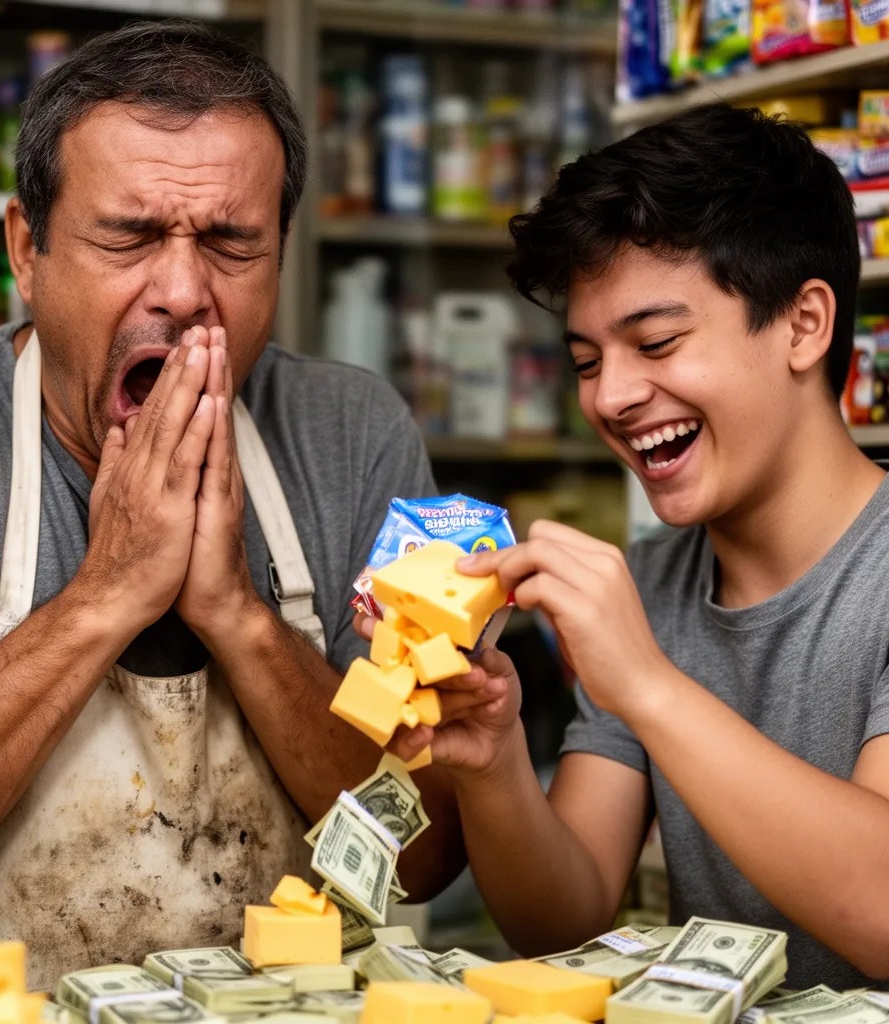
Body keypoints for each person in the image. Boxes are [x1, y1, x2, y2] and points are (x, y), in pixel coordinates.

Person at [0, 21, 465, 987]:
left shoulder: (353, 430)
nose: (185, 292)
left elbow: (425, 851)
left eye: (232, 242)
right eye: (129, 235)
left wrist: (235, 612)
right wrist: (108, 592)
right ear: (28, 248)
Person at [370, 103, 889, 989]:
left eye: (657, 342)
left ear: (805, 325)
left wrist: (645, 682)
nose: (611, 396)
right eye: (584, 360)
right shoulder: (650, 582)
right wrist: (494, 759)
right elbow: (561, 921)